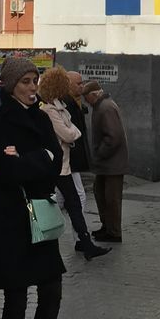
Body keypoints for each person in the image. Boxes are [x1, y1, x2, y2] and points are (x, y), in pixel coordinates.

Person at [0, 58, 65, 319]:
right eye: (26, 81)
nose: (32, 87)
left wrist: (30, 159)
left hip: (40, 216)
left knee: (52, 292)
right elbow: (4, 169)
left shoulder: (41, 119)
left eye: (34, 80)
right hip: (11, 220)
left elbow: (56, 162)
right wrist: (40, 157)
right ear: (12, 84)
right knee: (15, 301)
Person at [37, 67, 109, 261]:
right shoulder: (49, 110)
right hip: (58, 165)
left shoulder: (58, 106)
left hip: (64, 163)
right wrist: (71, 135)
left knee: (69, 202)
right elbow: (69, 133)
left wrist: (71, 135)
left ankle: (84, 243)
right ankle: (80, 242)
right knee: (68, 202)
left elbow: (72, 131)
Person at [83, 80, 128, 243]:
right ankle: (107, 227)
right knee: (101, 194)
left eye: (86, 97)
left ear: (94, 95)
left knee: (111, 199)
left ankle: (114, 232)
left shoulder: (106, 107)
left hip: (111, 163)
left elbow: (113, 137)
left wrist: (100, 153)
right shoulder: (101, 106)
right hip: (106, 163)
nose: (85, 101)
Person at [64, 71, 90, 213]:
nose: (82, 86)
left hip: (71, 158)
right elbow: (69, 133)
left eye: (82, 83)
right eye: (79, 83)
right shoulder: (67, 103)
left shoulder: (76, 102)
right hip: (69, 157)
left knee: (61, 196)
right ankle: (79, 233)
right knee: (79, 195)